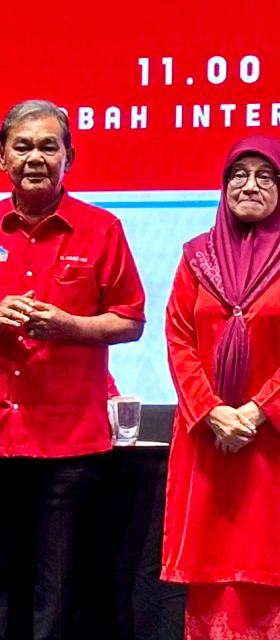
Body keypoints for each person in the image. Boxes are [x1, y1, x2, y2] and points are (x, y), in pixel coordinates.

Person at [161, 136, 280, 640]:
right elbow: (178, 339)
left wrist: (256, 412)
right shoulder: (196, 257)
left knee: (276, 572)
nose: (250, 185)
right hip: (209, 442)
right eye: (238, 174)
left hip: (279, 445)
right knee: (213, 576)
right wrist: (212, 411)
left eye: (265, 176)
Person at [0, 100, 146, 639]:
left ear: (69, 158)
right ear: (2, 157)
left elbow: (131, 321)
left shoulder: (101, 228)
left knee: (57, 588)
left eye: (48, 146)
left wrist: (69, 325)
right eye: (22, 146)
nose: (35, 158)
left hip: (68, 444)